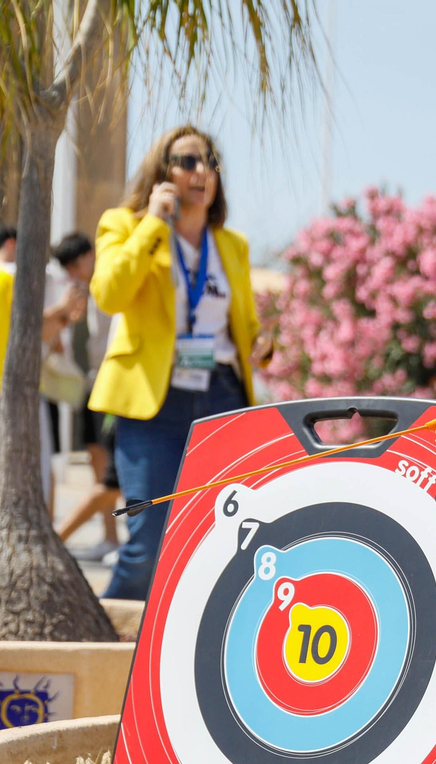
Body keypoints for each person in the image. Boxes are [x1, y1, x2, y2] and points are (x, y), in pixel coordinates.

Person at [90, 125, 273, 600]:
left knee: (223, 536)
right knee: (148, 542)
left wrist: (264, 340)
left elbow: (242, 323)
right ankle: (110, 644)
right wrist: (153, 222)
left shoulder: (231, 244)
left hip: (222, 396)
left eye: (210, 162)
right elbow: (109, 294)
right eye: (188, 161)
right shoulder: (124, 225)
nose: (202, 171)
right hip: (155, 402)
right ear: (162, 172)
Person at [0, 225, 70, 511]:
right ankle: (40, 516)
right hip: (32, 382)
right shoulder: (37, 278)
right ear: (12, 244)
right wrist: (63, 311)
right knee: (39, 456)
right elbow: (43, 329)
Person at [50, 232, 121, 559]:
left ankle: (61, 537)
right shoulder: (84, 290)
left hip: (114, 380)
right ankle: (109, 538)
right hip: (93, 380)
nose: (76, 272)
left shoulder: (113, 281)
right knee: (98, 461)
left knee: (113, 474)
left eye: (77, 264)